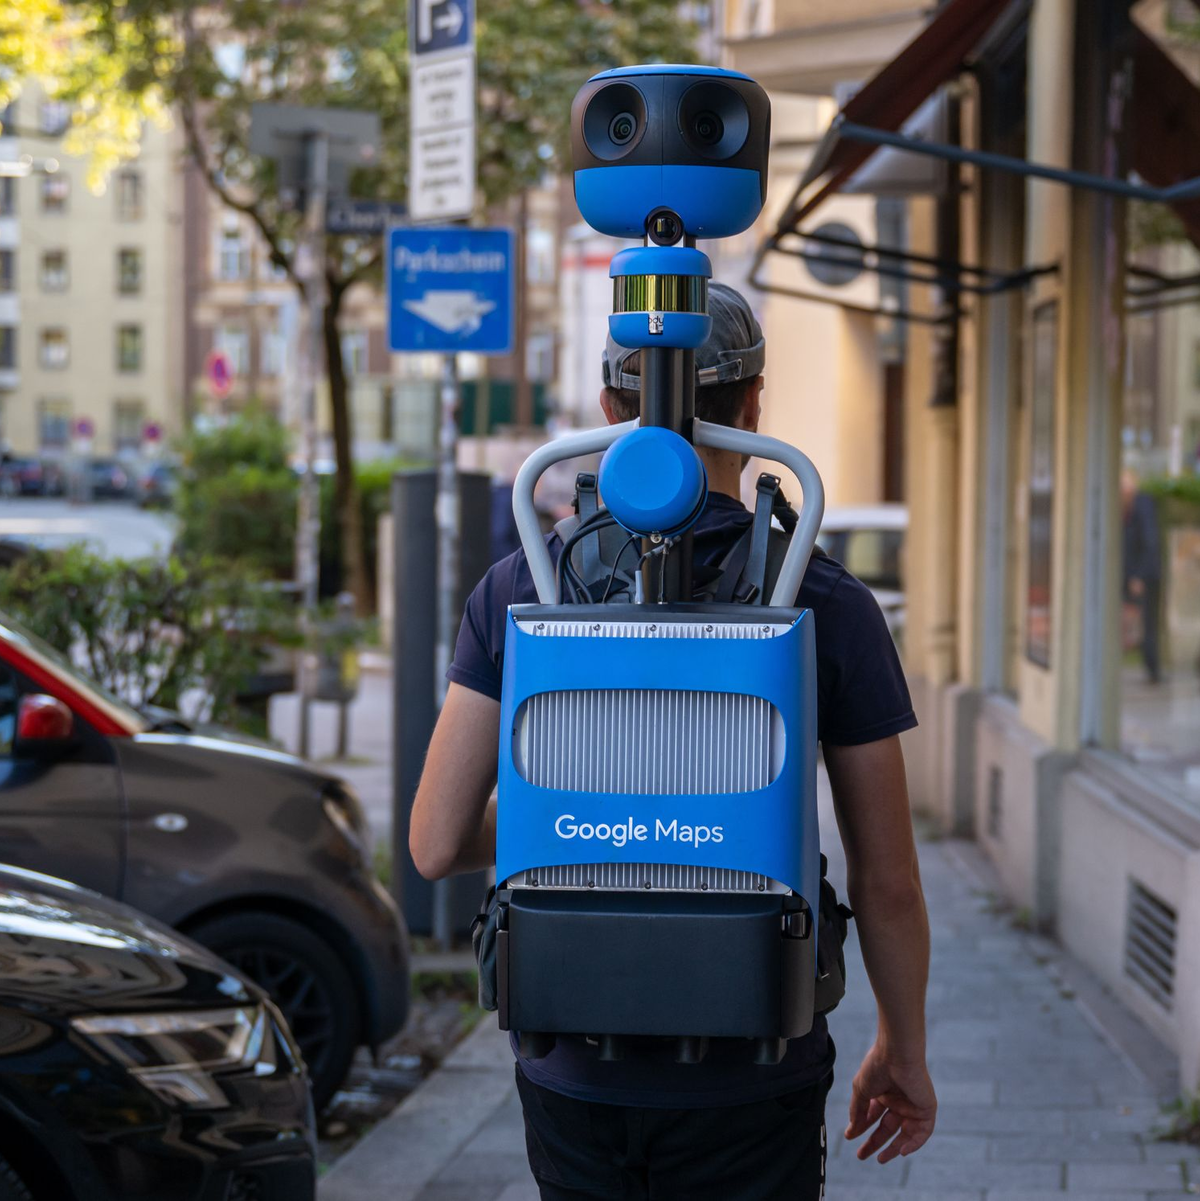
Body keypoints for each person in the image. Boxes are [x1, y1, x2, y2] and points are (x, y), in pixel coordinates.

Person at [410, 284, 936, 1200]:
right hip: (752, 1067)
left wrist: (589, 819)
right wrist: (904, 1047)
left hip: (575, 1067)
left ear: (612, 411)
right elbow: (886, 881)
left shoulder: (525, 586)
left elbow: (436, 842)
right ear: (755, 403)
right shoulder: (824, 600)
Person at [1121, 467, 1163, 684]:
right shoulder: (1126, 507)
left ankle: (1153, 671)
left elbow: (1150, 541)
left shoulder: (1143, 504)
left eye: (1125, 485)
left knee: (1148, 624)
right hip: (1131, 574)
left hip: (1145, 576)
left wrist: (1139, 575)